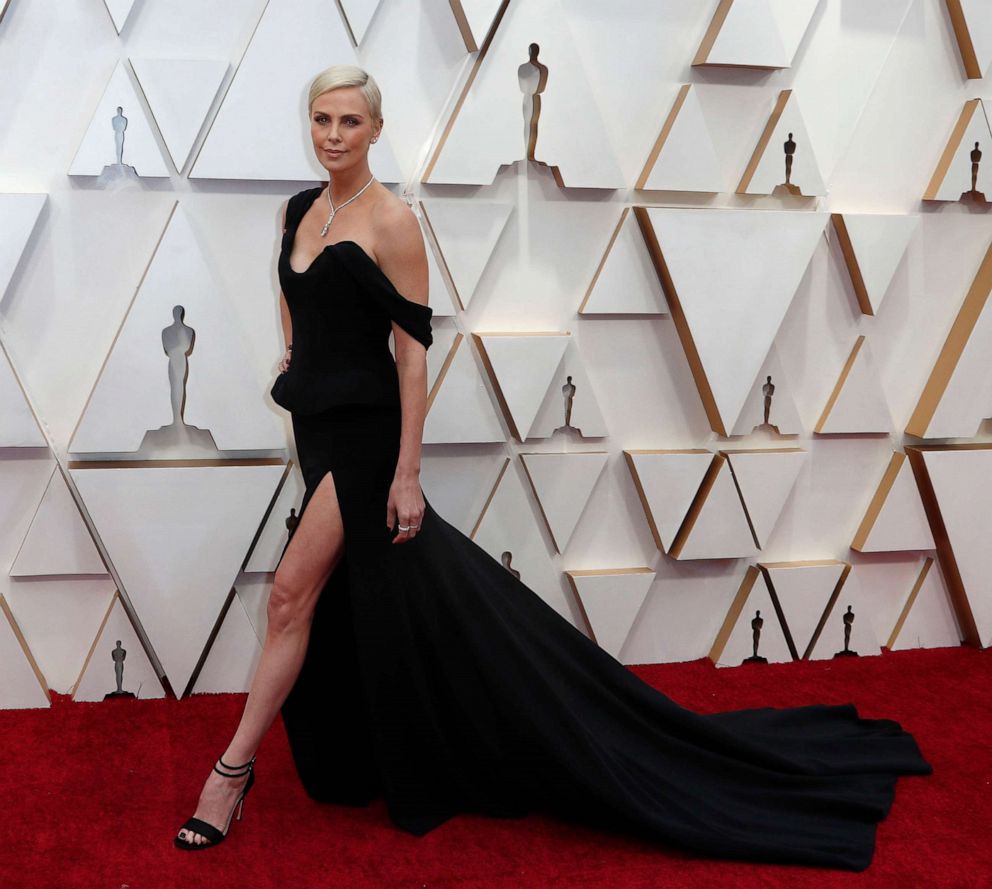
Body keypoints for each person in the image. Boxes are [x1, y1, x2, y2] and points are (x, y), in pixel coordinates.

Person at [174, 64, 932, 870]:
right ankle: (389, 741)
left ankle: (230, 774)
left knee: (291, 594)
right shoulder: (302, 208)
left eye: (350, 122)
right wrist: (294, 351)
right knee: (352, 599)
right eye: (322, 118)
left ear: (377, 130)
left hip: (366, 439)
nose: (333, 135)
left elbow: (413, 357)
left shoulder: (393, 222)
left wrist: (406, 473)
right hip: (316, 430)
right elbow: (294, 286)